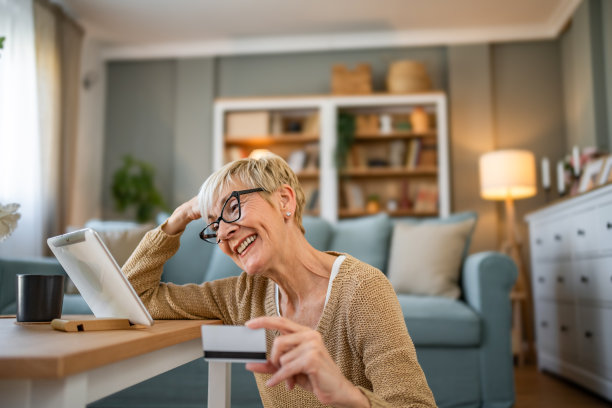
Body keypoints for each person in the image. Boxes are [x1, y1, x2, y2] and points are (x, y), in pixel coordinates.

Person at [123, 154, 436, 408]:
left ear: (285, 200)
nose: (223, 233)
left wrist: (346, 396)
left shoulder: (362, 290)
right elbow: (131, 296)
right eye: (213, 226)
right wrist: (178, 218)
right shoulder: (242, 296)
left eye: (232, 208)